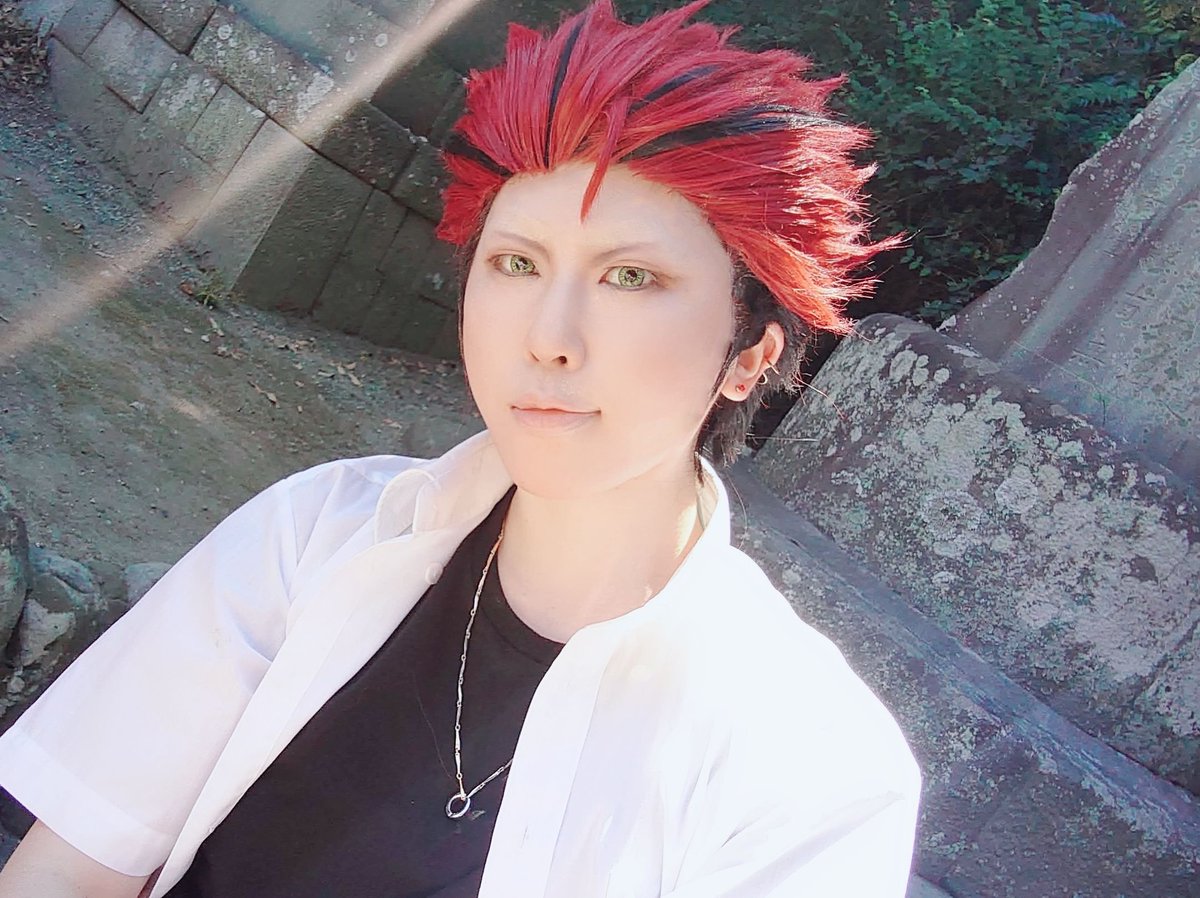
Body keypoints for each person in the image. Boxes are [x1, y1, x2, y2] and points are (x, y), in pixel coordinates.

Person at [0, 1, 921, 895]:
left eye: (631, 277)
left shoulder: (811, 772)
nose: (549, 338)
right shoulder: (318, 534)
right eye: (517, 263)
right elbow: (68, 872)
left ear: (749, 356)